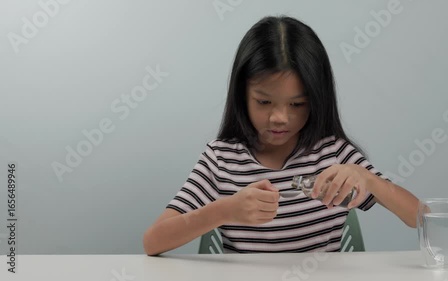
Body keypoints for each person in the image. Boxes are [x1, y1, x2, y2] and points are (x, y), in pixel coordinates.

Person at [143, 16, 418, 255]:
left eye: (297, 104)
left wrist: (368, 179)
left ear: (317, 100)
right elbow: (153, 241)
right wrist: (225, 211)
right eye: (264, 102)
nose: (279, 118)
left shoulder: (333, 153)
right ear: (242, 96)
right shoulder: (221, 159)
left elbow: (421, 217)